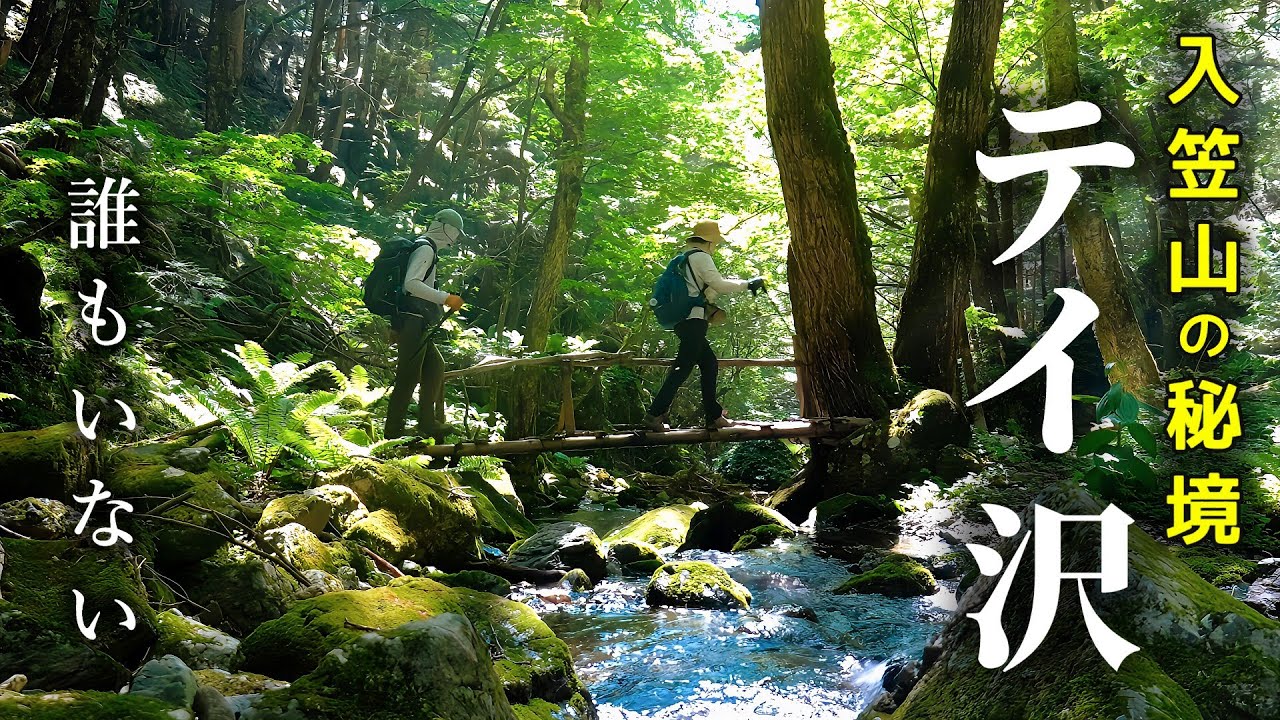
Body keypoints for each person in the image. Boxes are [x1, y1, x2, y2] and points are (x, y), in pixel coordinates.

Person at [644, 220, 764, 430]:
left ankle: (714, 416)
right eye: (715, 243)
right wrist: (748, 284)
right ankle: (654, 414)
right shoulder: (701, 257)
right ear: (709, 242)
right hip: (693, 320)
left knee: (709, 364)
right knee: (683, 367)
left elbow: (703, 289)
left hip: (683, 320)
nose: (715, 247)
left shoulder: (682, 259)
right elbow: (718, 284)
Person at [384, 209, 467, 440]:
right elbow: (411, 284)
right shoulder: (426, 248)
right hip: (412, 321)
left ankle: (427, 422)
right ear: (447, 229)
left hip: (416, 321)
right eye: (456, 232)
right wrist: (446, 298)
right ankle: (392, 434)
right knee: (408, 376)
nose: (456, 238)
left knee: (435, 366)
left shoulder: (424, 247)